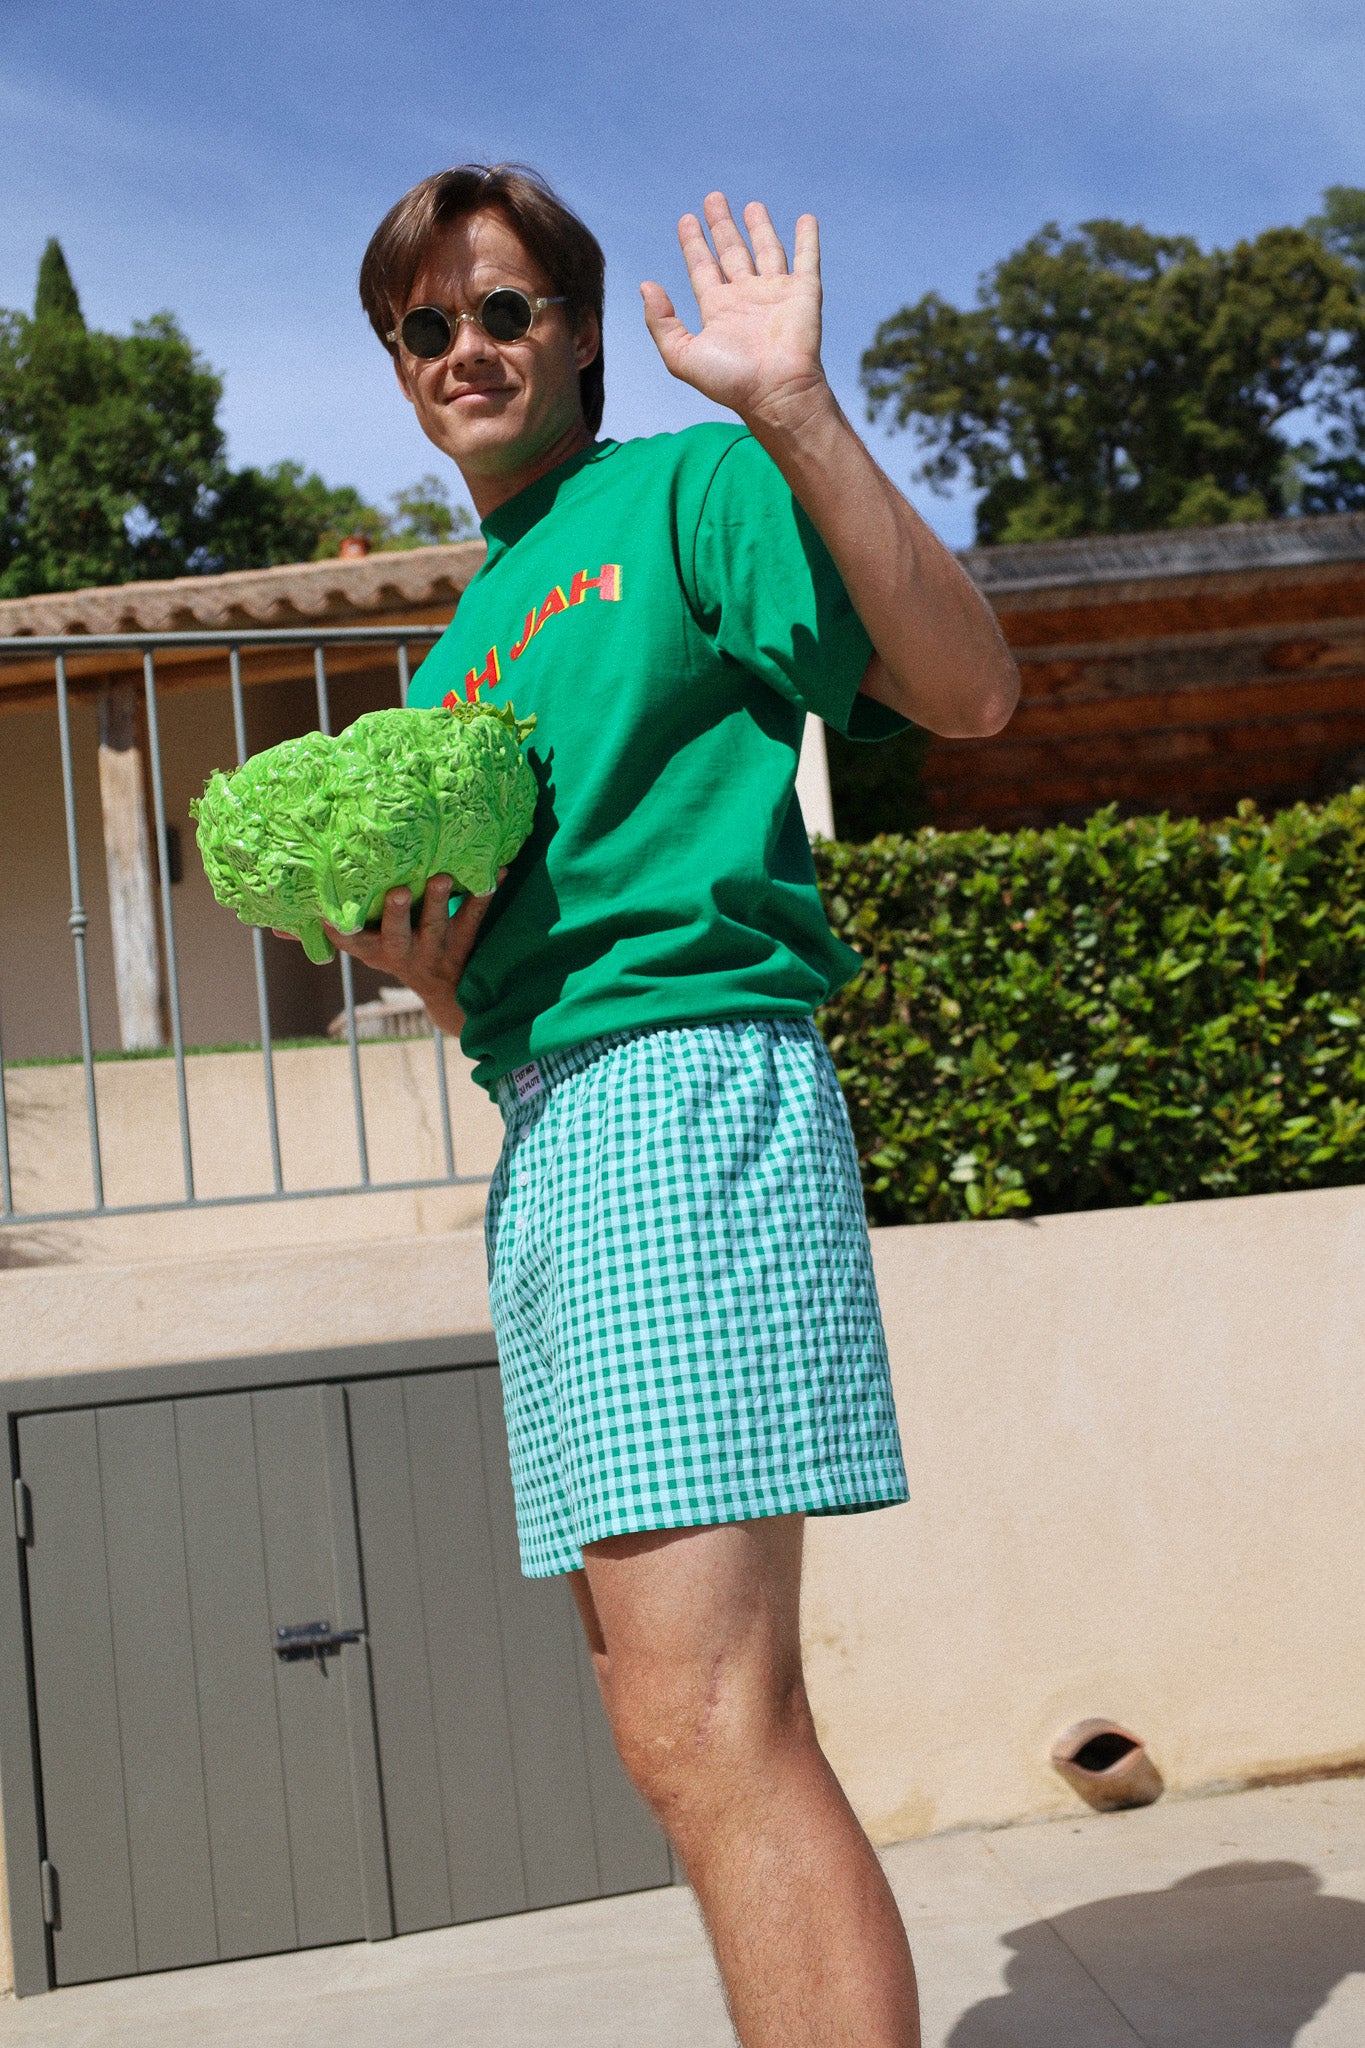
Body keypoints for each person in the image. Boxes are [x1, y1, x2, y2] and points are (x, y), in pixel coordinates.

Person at [329, 163, 1016, 2048]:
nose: (464, 347)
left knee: (715, 1722)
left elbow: (968, 690)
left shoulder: (688, 489)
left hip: (677, 1093)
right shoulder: (457, 649)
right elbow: (518, 956)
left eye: (503, 309)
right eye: (424, 325)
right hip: (551, 1127)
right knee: (665, 1728)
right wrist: (431, 973)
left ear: (574, 335)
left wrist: (789, 407)